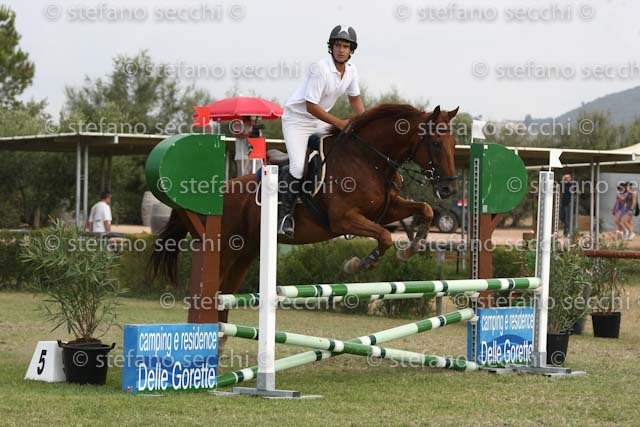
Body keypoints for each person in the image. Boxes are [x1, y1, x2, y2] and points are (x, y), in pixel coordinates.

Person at [278, 25, 366, 237]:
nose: (341, 50)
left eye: (346, 46)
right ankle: (284, 216)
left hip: (318, 120)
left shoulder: (351, 71)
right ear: (331, 47)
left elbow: (355, 100)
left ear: (351, 50)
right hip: (297, 121)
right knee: (298, 166)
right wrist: (339, 123)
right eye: (338, 45)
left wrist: (365, 124)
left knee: (346, 147)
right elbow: (311, 106)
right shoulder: (320, 69)